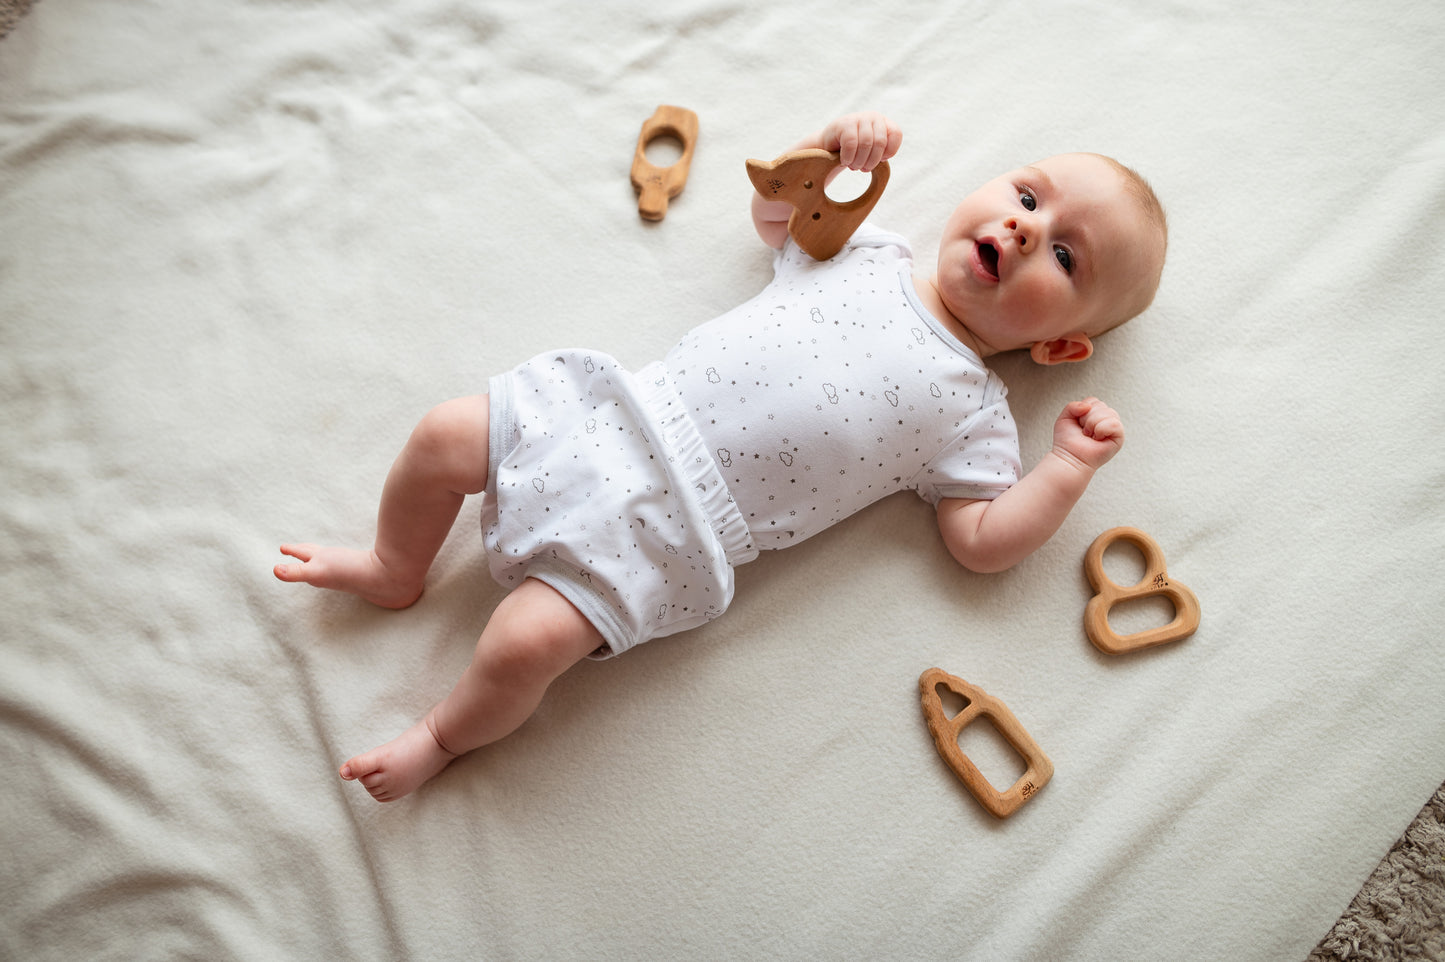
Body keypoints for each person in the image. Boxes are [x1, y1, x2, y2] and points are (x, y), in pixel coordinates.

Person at [274, 112, 1168, 803]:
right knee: (442, 433)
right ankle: (396, 565)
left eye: (1062, 253)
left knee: (525, 645)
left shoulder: (974, 413)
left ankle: (441, 737)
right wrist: (826, 154)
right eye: (1025, 196)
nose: (1021, 228)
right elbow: (777, 215)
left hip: (681, 526)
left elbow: (980, 541)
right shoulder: (871, 250)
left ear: (1058, 349)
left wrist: (1064, 470)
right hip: (617, 414)